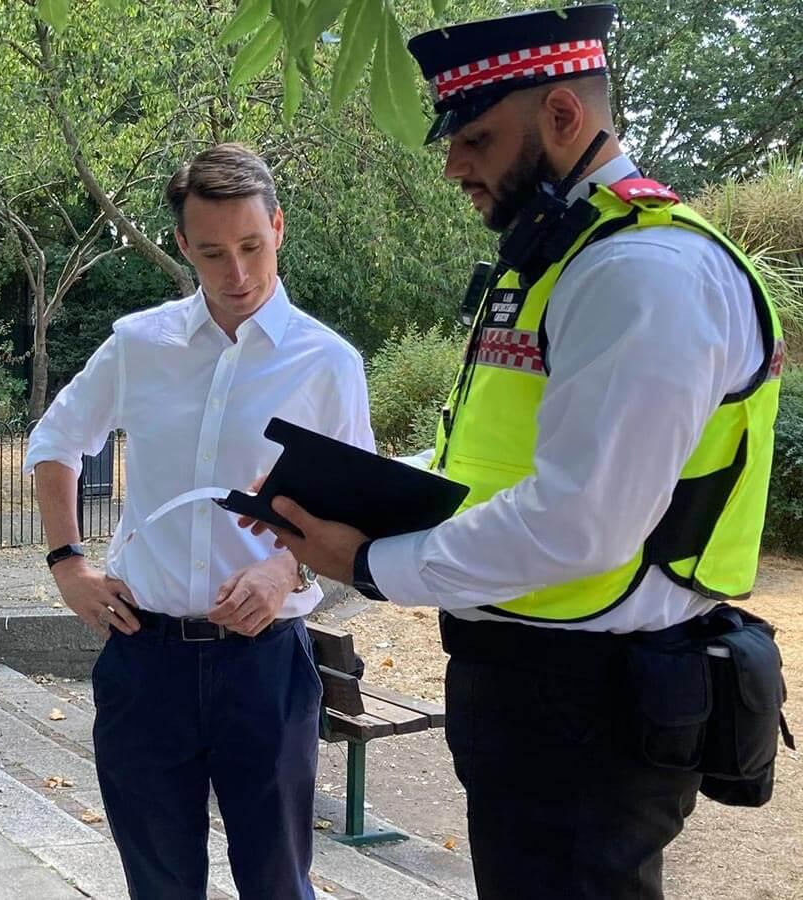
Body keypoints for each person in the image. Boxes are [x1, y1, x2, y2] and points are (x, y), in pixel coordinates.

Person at [254, 6, 785, 899]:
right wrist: (359, 490)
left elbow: (581, 525)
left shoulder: (639, 274)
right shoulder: (564, 259)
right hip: (539, 689)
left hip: (591, 703)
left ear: (565, 117)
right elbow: (495, 461)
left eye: (477, 138)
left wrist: (374, 561)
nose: (455, 164)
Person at [25, 143, 375, 900]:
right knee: (158, 884)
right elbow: (55, 442)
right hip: (144, 660)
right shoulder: (140, 344)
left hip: (267, 665)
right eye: (213, 252)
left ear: (278, 227)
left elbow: (355, 511)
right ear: (182, 245)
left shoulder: (327, 362)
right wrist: (67, 563)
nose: (238, 274)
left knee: (278, 882)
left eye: (252, 246)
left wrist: (288, 566)